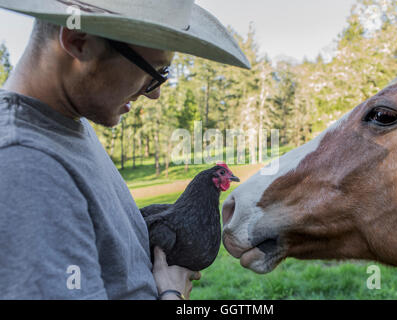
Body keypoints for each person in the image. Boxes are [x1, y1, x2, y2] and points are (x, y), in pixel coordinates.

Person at [0, 0, 249, 299]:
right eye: (153, 72)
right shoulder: (25, 166)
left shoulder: (68, 124)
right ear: (79, 41)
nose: (155, 92)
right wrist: (172, 295)